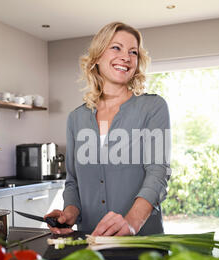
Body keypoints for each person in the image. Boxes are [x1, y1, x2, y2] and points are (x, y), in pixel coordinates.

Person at [44, 22, 171, 236]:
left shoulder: (153, 107)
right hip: (91, 240)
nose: (126, 57)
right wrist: (69, 214)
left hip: (141, 241)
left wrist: (131, 223)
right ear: (97, 57)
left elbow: (158, 172)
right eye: (116, 48)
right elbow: (73, 182)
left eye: (133, 52)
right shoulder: (76, 118)